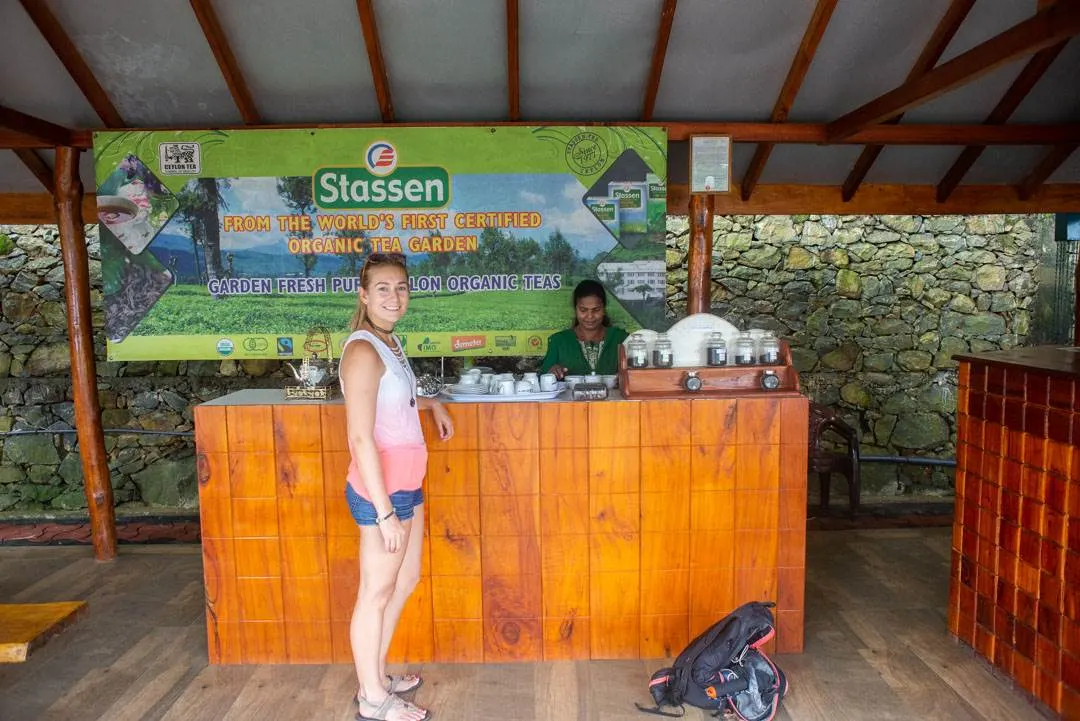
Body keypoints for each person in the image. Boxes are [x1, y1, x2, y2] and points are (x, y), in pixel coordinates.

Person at [339, 252, 452, 721]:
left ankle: (377, 675)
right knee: (376, 593)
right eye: (383, 288)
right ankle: (372, 698)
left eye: (401, 287)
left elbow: (395, 396)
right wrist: (385, 512)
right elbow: (360, 436)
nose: (394, 296)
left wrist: (431, 403)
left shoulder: (389, 342)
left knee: (405, 580)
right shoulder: (363, 349)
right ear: (364, 296)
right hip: (380, 492)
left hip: (408, 483)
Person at [539, 279, 629, 379]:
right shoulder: (559, 341)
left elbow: (636, 375)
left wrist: (623, 378)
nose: (590, 316)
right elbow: (542, 380)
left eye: (596, 310)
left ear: (604, 309)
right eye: (583, 310)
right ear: (575, 309)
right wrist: (551, 373)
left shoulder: (621, 338)